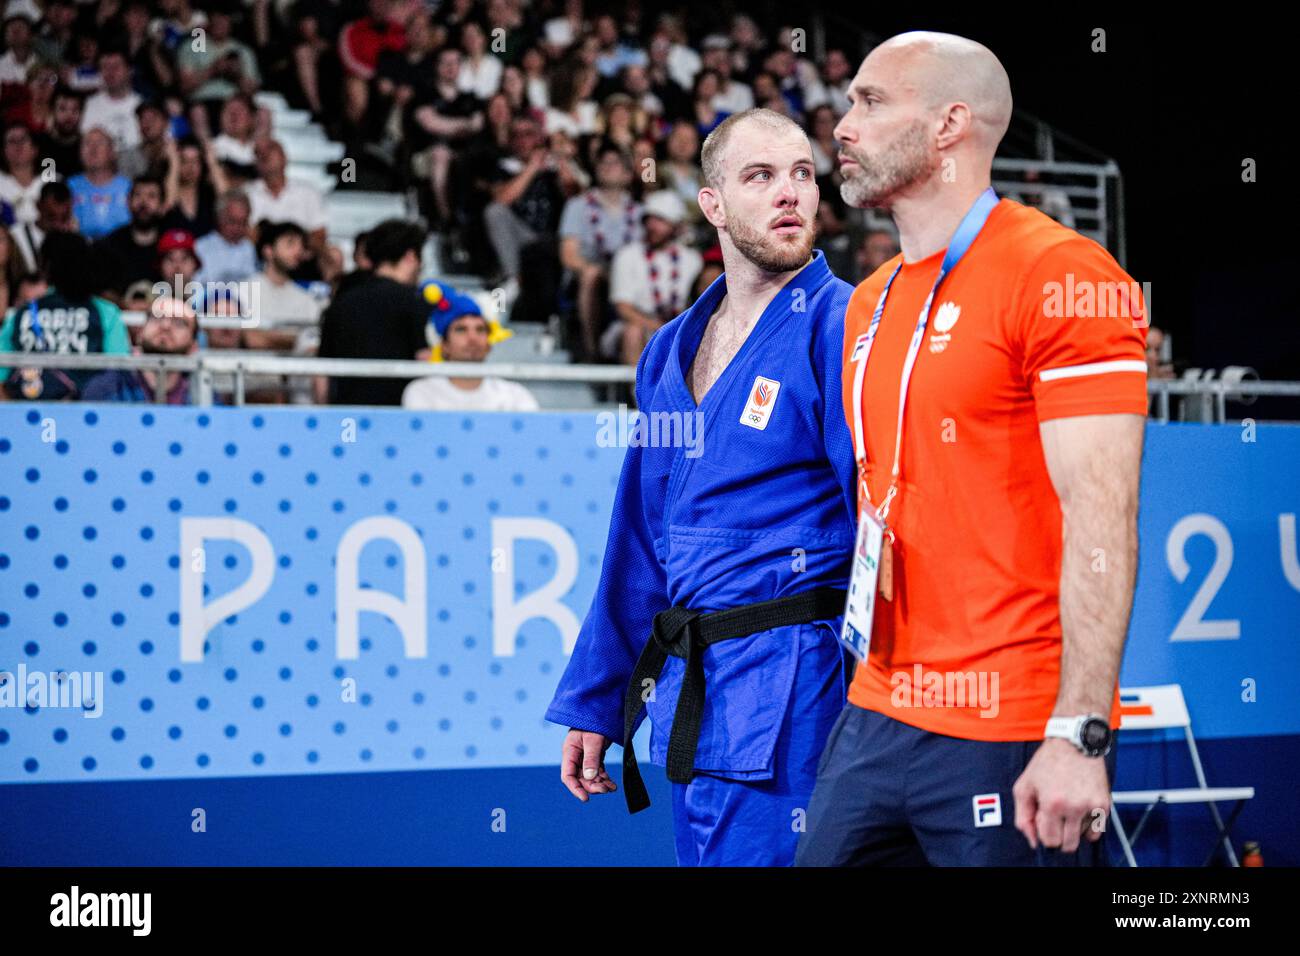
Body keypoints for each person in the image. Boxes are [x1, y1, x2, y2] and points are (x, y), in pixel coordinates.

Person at [796, 32, 1148, 867]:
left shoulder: (1064, 274)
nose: (843, 124)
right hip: (878, 709)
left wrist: (1081, 734)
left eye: (871, 101)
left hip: (1014, 723)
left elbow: (1105, 519)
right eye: (849, 102)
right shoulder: (870, 300)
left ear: (951, 124)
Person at [544, 108, 858, 867]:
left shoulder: (840, 323)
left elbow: (885, 514)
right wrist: (600, 698)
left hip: (801, 687)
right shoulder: (668, 350)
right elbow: (643, 537)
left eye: (803, 174)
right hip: (693, 689)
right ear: (711, 204)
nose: (791, 194)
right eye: (761, 177)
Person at [0, 231, 129, 399]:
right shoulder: (106, 312)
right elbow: (120, 373)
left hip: (27, 415)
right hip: (89, 417)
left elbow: (2, 375)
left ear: (45, 268)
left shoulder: (23, 313)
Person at [315, 218, 428, 406]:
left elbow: (321, 374)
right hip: (401, 418)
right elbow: (423, 357)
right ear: (410, 257)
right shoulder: (414, 300)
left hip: (347, 415)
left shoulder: (341, 301)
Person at [557, 143, 641, 362]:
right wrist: (601, 271)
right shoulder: (578, 205)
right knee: (591, 275)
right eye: (603, 162)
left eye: (615, 163)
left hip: (630, 279)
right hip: (590, 275)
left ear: (628, 173)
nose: (608, 167)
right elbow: (568, 255)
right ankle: (591, 351)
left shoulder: (640, 211)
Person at [401, 281, 538, 412]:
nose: (473, 338)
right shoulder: (422, 392)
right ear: (443, 344)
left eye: (480, 329)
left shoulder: (515, 396)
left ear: (489, 343)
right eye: (461, 329)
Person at [607, 189, 702, 366]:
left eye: (660, 220)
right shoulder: (627, 255)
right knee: (632, 332)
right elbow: (623, 308)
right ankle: (636, 393)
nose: (652, 226)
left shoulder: (692, 259)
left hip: (677, 326)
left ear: (676, 226)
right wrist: (658, 328)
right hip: (637, 324)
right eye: (648, 220)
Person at [82, 294, 197, 403]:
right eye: (157, 317)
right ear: (139, 334)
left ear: (193, 346)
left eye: (179, 322)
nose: (165, 325)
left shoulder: (204, 396)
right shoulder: (105, 388)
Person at [95, 174, 166, 295]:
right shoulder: (110, 244)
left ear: (162, 205)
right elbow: (102, 291)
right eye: (138, 195)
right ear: (128, 202)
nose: (143, 203)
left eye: (151, 196)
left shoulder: (171, 246)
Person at [67, 127, 131, 239]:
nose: (93, 148)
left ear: (112, 152)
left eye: (100, 143)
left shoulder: (129, 188)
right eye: (87, 143)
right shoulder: (68, 187)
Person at [79, 47, 143, 154]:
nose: (110, 72)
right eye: (105, 67)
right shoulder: (88, 105)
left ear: (129, 70)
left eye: (116, 66)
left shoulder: (142, 105)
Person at [194, 189, 257, 284]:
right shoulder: (200, 247)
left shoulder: (249, 248)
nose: (237, 228)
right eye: (232, 221)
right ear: (219, 218)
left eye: (243, 222)